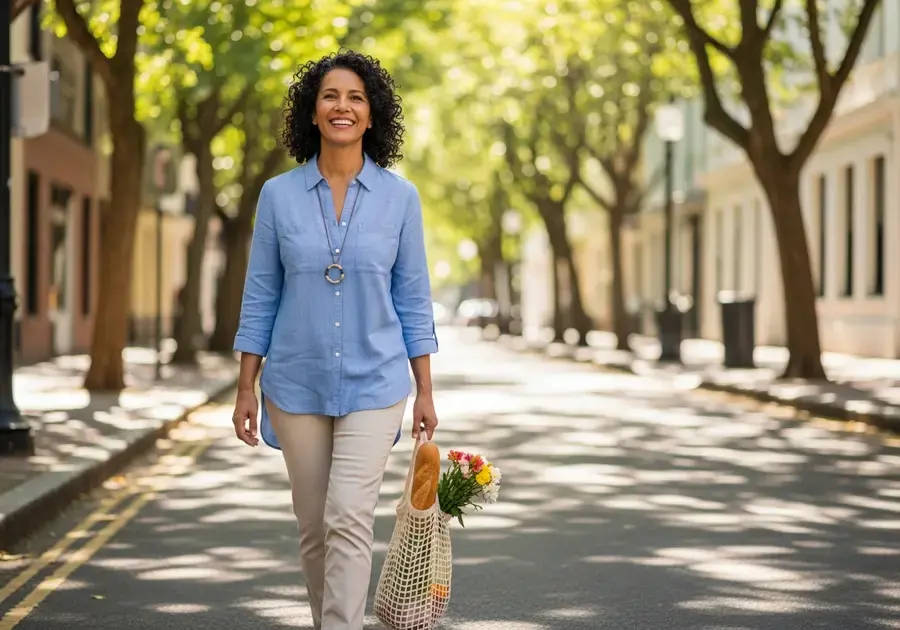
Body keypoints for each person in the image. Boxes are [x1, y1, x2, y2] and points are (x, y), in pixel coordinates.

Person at [230, 50, 439, 629]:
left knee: (349, 515)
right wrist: (245, 386)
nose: (342, 107)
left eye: (355, 98)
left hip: (377, 380)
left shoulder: (401, 199)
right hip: (295, 382)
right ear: (313, 112)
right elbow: (260, 296)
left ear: (372, 116)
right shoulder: (277, 196)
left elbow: (414, 301)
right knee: (315, 527)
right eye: (330, 96)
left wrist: (424, 390)